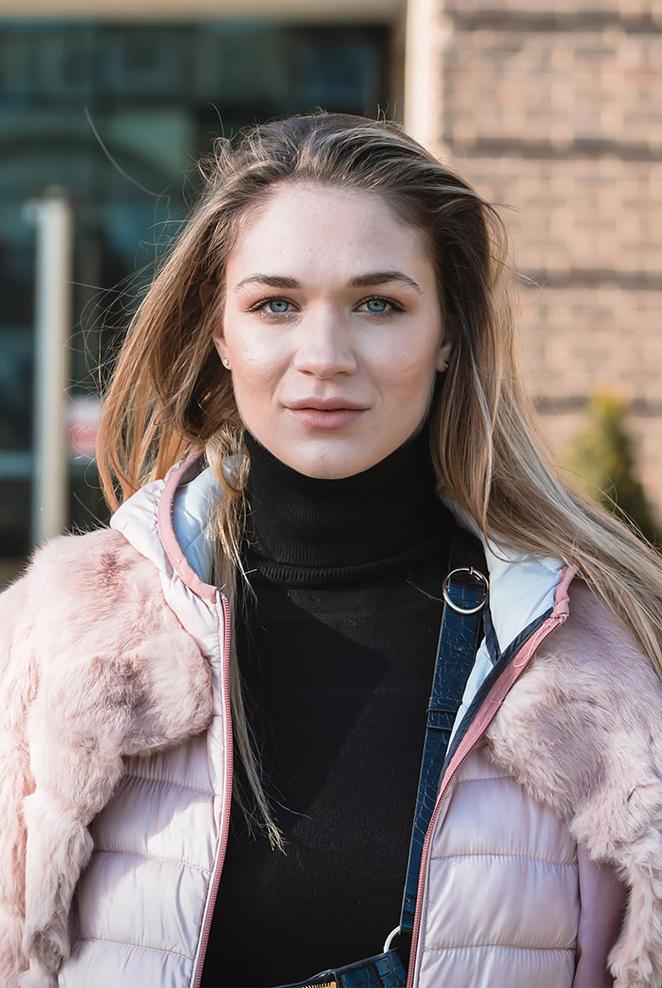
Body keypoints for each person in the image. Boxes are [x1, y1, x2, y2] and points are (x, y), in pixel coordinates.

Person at [1, 110, 662, 988]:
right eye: (276, 304)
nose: (324, 356)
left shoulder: (607, 657)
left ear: (447, 337)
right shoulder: (53, 636)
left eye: (378, 305)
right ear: (218, 332)